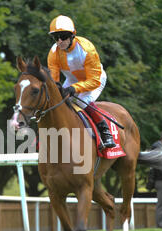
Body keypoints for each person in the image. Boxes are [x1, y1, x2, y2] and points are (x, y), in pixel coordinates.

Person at [47, 15, 115, 149]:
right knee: (55, 101)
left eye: (64, 36)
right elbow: (54, 81)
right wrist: (58, 90)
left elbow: (93, 81)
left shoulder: (86, 49)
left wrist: (74, 89)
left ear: (72, 35)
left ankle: (105, 131)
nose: (60, 41)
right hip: (72, 80)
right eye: (56, 37)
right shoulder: (53, 52)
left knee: (79, 101)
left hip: (95, 80)